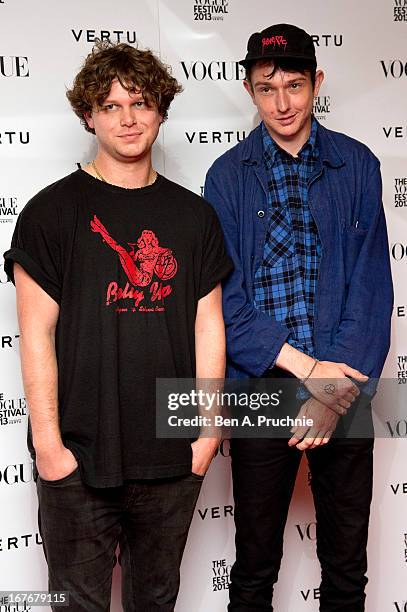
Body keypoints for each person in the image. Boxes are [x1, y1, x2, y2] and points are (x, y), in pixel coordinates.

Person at [4, 41, 233, 611]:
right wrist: (50, 446)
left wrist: (205, 434)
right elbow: (34, 336)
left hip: (172, 456)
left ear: (161, 110)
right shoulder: (50, 212)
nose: (128, 119)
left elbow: (209, 327)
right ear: (88, 114)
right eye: (110, 106)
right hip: (78, 460)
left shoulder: (194, 216)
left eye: (141, 103)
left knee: (155, 604)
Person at [204, 23, 393, 612]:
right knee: (255, 566)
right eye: (266, 88)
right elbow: (225, 302)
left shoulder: (356, 165)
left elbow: (371, 290)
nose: (282, 103)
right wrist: (309, 370)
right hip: (264, 385)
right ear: (248, 89)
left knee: (346, 568)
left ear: (318, 81)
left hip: (345, 383)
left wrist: (333, 388)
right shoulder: (226, 177)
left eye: (294, 85)